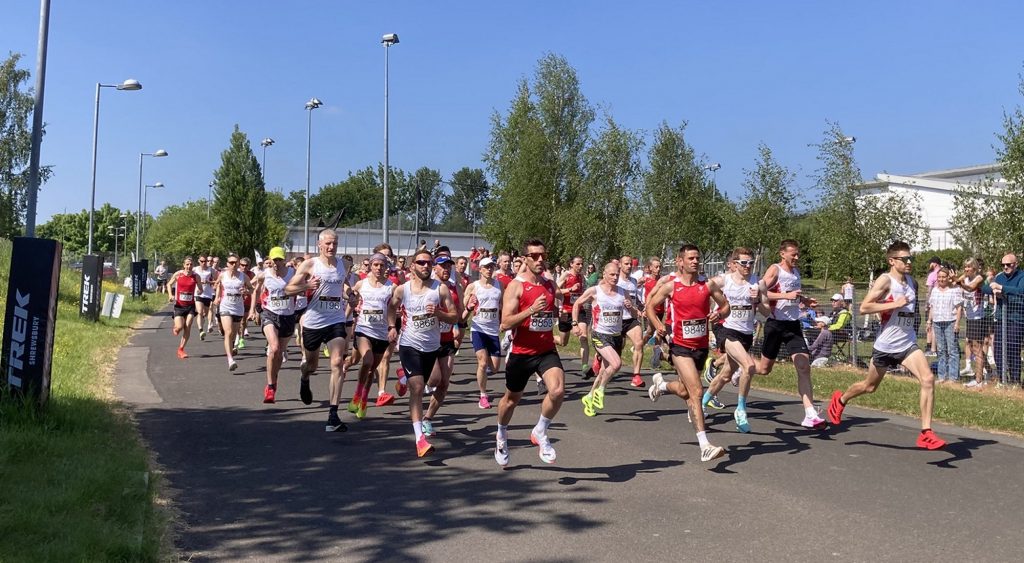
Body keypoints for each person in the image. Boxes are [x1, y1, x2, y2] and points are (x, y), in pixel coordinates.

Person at [827, 241, 946, 450]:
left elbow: (910, 311)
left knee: (928, 379)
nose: (909, 262)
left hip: (907, 343)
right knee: (869, 386)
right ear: (892, 261)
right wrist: (893, 304)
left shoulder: (912, 281)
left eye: (911, 258)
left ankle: (926, 432)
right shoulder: (885, 280)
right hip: (886, 345)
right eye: (904, 259)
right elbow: (864, 307)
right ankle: (841, 400)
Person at [645, 244, 730, 462]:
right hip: (679, 346)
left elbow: (726, 306)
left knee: (684, 391)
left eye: (697, 258)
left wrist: (718, 315)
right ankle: (705, 445)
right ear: (680, 261)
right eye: (690, 258)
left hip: (700, 346)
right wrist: (658, 324)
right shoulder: (671, 287)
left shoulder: (707, 285)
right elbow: (650, 307)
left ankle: (661, 386)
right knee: (696, 392)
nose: (695, 261)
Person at [494, 239, 565, 467]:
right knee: (511, 400)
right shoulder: (516, 286)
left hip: (545, 350)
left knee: (557, 390)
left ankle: (540, 431)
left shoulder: (550, 285)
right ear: (525, 259)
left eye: (542, 255)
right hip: (521, 353)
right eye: (534, 256)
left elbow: (553, 313)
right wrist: (530, 310)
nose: (540, 260)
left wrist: (565, 321)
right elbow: (504, 323)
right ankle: (502, 434)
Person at [388, 249, 459, 457]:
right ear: (413, 266)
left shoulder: (441, 289)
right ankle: (420, 438)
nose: (426, 266)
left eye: (429, 263)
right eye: (421, 262)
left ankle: (403, 378)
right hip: (409, 345)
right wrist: (392, 326)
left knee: (431, 382)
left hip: (431, 347)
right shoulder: (403, 290)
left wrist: (438, 313)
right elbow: (391, 307)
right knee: (418, 388)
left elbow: (454, 317)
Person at [285, 229, 356, 432]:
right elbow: (288, 289)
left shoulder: (344, 264)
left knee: (337, 362)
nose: (331, 247)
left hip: (336, 319)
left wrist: (350, 294)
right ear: (319, 245)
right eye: (328, 244)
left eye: (334, 243)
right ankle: (305, 377)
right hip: (313, 321)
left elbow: (342, 285)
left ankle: (333, 415)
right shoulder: (310, 264)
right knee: (312, 365)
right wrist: (306, 285)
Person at [756, 239, 826, 429]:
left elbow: (793, 295)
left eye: (797, 254)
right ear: (782, 254)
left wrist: (805, 300)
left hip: (793, 326)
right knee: (763, 369)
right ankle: (741, 368)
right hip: (775, 324)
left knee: (803, 367)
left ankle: (810, 413)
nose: (796, 257)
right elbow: (759, 292)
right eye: (793, 254)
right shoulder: (775, 270)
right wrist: (785, 296)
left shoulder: (796, 273)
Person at [701, 248, 766, 432]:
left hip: (746, 333)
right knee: (749, 366)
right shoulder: (724, 280)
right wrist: (712, 311)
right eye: (744, 263)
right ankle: (740, 409)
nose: (748, 266)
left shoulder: (758, 283)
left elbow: (767, 312)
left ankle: (702, 403)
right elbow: (703, 289)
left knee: (726, 375)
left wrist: (758, 301)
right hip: (726, 329)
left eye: (751, 263)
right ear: (735, 264)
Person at [573, 262, 635, 417]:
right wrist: (575, 323)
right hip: (600, 334)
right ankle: (600, 391)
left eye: (617, 274)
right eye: (612, 274)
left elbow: (634, 315)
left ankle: (589, 397)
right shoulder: (595, 291)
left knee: (604, 371)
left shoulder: (623, 292)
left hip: (616, 336)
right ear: (605, 274)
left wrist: (631, 306)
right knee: (616, 364)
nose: (615, 277)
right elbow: (577, 304)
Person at [346, 253, 395, 419]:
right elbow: (350, 298)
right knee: (366, 361)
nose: (379, 268)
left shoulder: (391, 287)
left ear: (386, 267)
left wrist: (393, 326)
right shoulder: (362, 284)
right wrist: (347, 313)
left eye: (382, 265)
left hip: (381, 333)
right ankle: (357, 395)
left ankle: (364, 400)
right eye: (376, 265)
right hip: (363, 329)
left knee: (372, 369)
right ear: (371, 266)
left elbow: (395, 308)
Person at [248, 247, 295, 403]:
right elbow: (253, 289)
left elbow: (303, 287)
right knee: (273, 348)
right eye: (274, 260)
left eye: (279, 259)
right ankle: (269, 386)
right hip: (269, 313)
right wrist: (253, 310)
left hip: (287, 316)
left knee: (279, 353)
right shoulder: (264, 274)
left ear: (284, 259)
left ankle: (274, 380)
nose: (277, 263)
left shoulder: (292, 274)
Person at [463, 256, 503, 409]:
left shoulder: (499, 285)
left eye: (491, 267)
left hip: (493, 330)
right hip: (478, 328)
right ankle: (483, 395)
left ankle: (483, 372)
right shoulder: (474, 286)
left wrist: (503, 321)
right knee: (482, 362)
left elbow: (502, 305)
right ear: (480, 269)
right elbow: (464, 307)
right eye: (486, 267)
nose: (489, 269)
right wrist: (470, 305)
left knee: (495, 368)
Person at [983, 253, 1024, 385]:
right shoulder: (999, 276)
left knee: (1013, 350)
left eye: (1008, 264)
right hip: (1001, 318)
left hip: (1016, 319)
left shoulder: (1021, 276)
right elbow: (986, 288)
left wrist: (1002, 289)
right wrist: (992, 290)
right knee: (998, 350)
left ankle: (1015, 380)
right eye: (1003, 265)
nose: (1005, 267)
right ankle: (1002, 379)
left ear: (1015, 264)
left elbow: (1020, 291)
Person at [213, 254, 255, 372]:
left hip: (238, 307)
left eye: (235, 262)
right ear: (227, 264)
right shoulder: (223, 275)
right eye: (231, 262)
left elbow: (252, 289)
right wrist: (217, 297)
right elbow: (218, 285)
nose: (234, 264)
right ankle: (230, 360)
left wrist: (246, 291)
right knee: (228, 331)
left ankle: (231, 347)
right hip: (226, 305)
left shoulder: (243, 277)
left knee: (233, 333)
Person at [956, 258, 988, 387]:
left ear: (974, 268)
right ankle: (986, 373)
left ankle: (979, 380)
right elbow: (957, 281)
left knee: (977, 347)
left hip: (978, 318)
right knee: (971, 346)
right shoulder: (966, 276)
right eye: (965, 267)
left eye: (969, 267)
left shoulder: (979, 278)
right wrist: (957, 279)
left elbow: (970, 288)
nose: (966, 269)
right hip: (969, 317)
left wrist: (960, 283)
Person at [928, 267, 963, 383]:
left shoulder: (955, 290)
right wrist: (929, 320)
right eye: (939, 277)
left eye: (944, 277)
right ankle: (942, 376)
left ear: (948, 278)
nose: (941, 279)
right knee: (941, 350)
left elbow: (959, 308)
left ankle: (953, 377)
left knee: (952, 350)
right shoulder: (934, 290)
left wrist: (957, 323)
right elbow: (932, 307)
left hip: (950, 322)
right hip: (937, 322)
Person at [617, 255, 646, 388]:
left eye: (630, 264)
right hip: (616, 320)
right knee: (617, 350)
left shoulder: (634, 281)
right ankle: (599, 359)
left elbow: (636, 299)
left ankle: (636, 376)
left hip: (630, 319)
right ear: (620, 265)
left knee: (639, 343)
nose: (629, 266)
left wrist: (640, 307)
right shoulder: (615, 280)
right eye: (626, 264)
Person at [556, 256, 588, 370]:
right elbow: (555, 291)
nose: (580, 266)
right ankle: (550, 339)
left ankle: (585, 367)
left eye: (581, 264)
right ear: (571, 264)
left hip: (579, 310)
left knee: (583, 337)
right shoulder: (566, 275)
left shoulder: (581, 276)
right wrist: (570, 289)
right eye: (578, 264)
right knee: (563, 342)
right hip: (566, 311)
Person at [166, 256, 201, 359]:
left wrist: (200, 291)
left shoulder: (196, 276)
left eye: (191, 265)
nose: (189, 266)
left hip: (190, 306)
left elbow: (200, 288)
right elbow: (169, 284)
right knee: (180, 327)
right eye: (187, 264)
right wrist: (170, 295)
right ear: (184, 265)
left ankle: (181, 349)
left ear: (193, 266)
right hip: (179, 306)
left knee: (188, 325)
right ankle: (176, 327)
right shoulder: (178, 274)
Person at [193, 255, 216, 340]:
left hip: (207, 294)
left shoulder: (211, 270)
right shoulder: (195, 269)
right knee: (199, 312)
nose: (204, 263)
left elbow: (217, 281)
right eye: (202, 261)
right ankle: (201, 330)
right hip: (198, 293)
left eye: (205, 261)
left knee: (204, 313)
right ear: (198, 261)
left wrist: (208, 281)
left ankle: (202, 322)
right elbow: (190, 278)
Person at [924, 256, 942, 356]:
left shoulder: (932, 275)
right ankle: (937, 347)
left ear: (934, 263)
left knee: (930, 325)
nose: (929, 265)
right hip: (942, 302)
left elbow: (929, 291)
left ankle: (931, 347)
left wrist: (927, 303)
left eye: (930, 263)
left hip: (933, 303)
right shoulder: (944, 272)